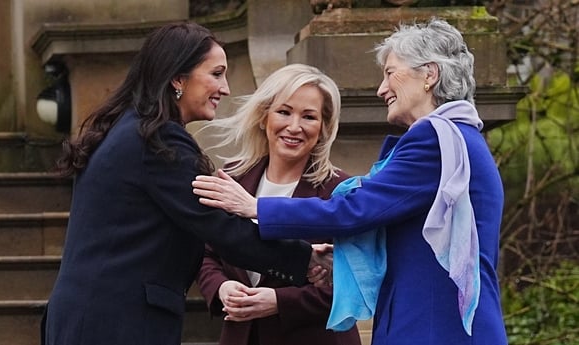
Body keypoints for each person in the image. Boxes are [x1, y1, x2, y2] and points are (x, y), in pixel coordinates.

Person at [192, 18, 508, 345]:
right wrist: (336, 258)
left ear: (429, 74)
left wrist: (255, 206)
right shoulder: (459, 139)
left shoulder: (436, 139)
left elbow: (355, 210)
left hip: (433, 329)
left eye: (389, 72)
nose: (381, 89)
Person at [41, 21, 331, 345]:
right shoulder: (157, 141)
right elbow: (220, 227)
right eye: (217, 73)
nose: (226, 88)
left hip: (94, 318)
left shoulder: (128, 129)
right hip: (116, 324)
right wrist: (306, 260)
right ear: (178, 78)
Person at [195, 63, 362, 345]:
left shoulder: (342, 190)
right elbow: (205, 253)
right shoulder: (232, 178)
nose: (294, 127)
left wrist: (279, 301)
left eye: (309, 117)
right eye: (284, 112)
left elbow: (356, 280)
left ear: (323, 128)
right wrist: (221, 287)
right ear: (264, 117)